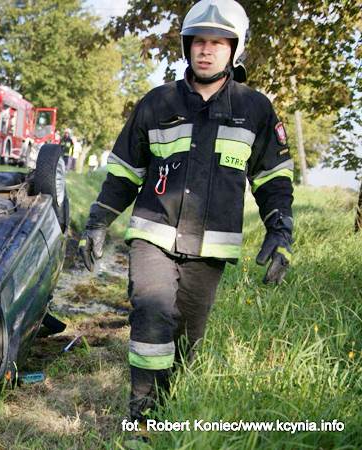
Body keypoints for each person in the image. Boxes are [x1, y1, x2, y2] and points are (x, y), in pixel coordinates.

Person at [79, 0, 294, 424]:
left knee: (187, 340)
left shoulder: (256, 109)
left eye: (217, 42)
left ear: (234, 49)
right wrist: (98, 220)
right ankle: (142, 419)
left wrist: (280, 230)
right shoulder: (157, 103)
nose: (206, 49)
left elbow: (272, 180)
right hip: (153, 232)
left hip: (211, 246)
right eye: (198, 41)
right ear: (187, 47)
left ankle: (173, 412)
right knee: (153, 311)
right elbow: (125, 172)